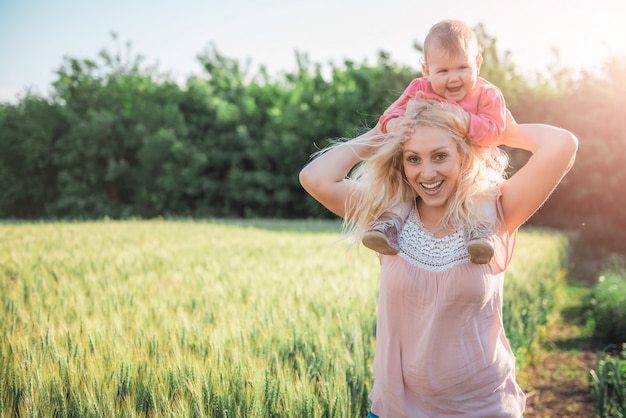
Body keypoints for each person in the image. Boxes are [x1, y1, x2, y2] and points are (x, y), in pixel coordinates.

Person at [299, 98, 577, 417]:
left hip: (484, 409)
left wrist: (500, 129)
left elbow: (562, 145)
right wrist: (380, 132)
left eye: (440, 156)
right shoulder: (385, 218)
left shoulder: (496, 212)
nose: (427, 172)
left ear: (463, 155)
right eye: (413, 159)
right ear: (400, 163)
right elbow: (315, 178)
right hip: (396, 410)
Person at [362, 19, 507, 265]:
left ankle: (480, 234)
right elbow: (389, 115)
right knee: (405, 187)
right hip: (431, 168)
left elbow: (496, 131)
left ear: (478, 64)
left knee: (485, 192)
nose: (454, 79)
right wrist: (394, 124)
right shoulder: (420, 88)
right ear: (426, 70)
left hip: (475, 169)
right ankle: (388, 225)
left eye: (463, 68)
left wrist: (467, 120)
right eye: (443, 71)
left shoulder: (487, 95)